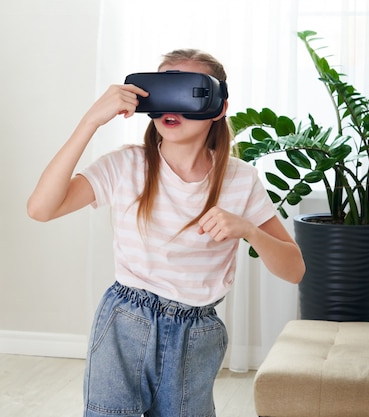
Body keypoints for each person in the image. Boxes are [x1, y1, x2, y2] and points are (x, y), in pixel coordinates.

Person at [27, 49, 305, 417]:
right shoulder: (127, 165)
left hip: (197, 331)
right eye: (161, 90)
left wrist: (249, 230)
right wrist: (91, 121)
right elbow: (41, 209)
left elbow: (294, 270)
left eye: (186, 90)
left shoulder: (240, 179)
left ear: (218, 107)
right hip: (125, 323)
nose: (170, 107)